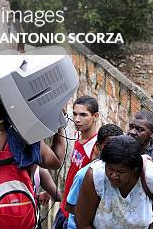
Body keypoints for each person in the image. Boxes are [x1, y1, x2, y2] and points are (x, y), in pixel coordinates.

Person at [0, 92, 62, 227]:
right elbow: (56, 161)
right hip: (28, 220)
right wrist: (60, 125)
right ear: (5, 113)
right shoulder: (25, 141)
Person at [75, 135, 153, 229]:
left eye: (121, 172)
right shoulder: (96, 176)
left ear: (134, 170)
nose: (113, 175)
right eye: (109, 168)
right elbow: (82, 223)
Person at [65, 124, 124, 229]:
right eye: (108, 144)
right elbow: (69, 206)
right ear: (98, 146)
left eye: (118, 144)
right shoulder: (84, 175)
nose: (114, 148)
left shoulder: (121, 174)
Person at [54, 96, 99, 229]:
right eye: (75, 114)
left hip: (76, 214)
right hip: (64, 206)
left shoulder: (96, 147)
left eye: (83, 115)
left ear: (95, 116)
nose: (77, 119)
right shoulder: (77, 135)